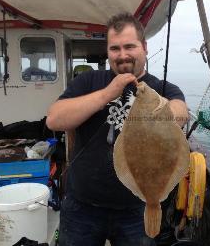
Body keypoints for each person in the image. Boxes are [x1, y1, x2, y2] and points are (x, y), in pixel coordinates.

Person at [46, 13, 189, 246]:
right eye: (115, 48)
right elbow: (54, 119)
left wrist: (161, 110)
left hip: (136, 207)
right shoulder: (89, 82)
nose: (122, 55)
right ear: (108, 51)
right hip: (81, 206)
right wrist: (107, 93)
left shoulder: (163, 88)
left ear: (144, 47)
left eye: (130, 46)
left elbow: (180, 113)